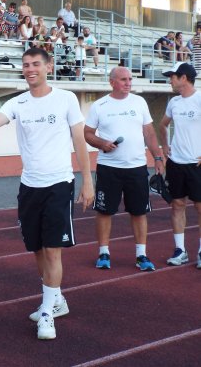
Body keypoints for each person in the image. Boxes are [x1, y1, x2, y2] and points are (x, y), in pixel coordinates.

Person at [0, 47, 95, 340]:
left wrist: (87, 180)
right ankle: (56, 299)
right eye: (25, 65)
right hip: (29, 187)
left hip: (59, 185)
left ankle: (48, 313)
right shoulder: (18, 103)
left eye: (35, 64)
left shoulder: (66, 99)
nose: (29, 69)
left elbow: (79, 140)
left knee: (52, 249)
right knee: (37, 248)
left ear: (48, 66)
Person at [84, 67, 164, 271]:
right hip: (108, 168)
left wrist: (158, 157)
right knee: (104, 211)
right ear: (112, 82)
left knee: (139, 212)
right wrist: (102, 143)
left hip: (136, 168)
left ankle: (141, 255)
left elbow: (149, 133)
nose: (128, 83)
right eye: (123, 80)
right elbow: (88, 133)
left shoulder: (139, 102)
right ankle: (103, 252)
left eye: (130, 79)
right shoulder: (99, 105)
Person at [158, 62, 201, 268]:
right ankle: (180, 250)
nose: (170, 80)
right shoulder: (174, 102)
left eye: (173, 76)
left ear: (184, 78)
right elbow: (163, 124)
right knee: (177, 206)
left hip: (197, 164)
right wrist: (165, 145)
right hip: (176, 163)